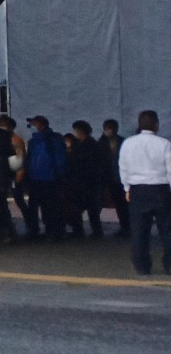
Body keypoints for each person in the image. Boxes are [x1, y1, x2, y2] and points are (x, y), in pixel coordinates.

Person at [115, 110, 171, 275]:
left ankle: (142, 266)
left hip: (137, 190)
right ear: (156, 125)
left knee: (139, 231)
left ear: (139, 125)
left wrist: (126, 188)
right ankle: (169, 264)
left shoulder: (128, 143)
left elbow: (123, 167)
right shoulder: (164, 144)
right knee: (167, 231)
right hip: (161, 189)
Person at [23, 116, 68, 240]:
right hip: (37, 178)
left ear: (42, 125)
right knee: (37, 205)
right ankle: (38, 230)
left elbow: (60, 160)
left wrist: (60, 176)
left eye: (34, 125)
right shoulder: (34, 141)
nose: (32, 127)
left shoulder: (52, 140)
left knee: (49, 206)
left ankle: (52, 231)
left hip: (49, 178)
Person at [66, 121, 109, 238]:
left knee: (84, 207)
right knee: (91, 208)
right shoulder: (90, 144)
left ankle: (81, 230)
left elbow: (80, 162)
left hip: (85, 181)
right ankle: (93, 230)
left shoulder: (86, 146)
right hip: (88, 181)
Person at [102, 119, 130, 236]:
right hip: (110, 178)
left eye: (111, 128)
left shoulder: (123, 142)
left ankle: (127, 227)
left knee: (125, 205)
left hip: (122, 178)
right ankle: (124, 227)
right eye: (106, 128)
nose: (108, 130)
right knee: (118, 204)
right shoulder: (102, 143)